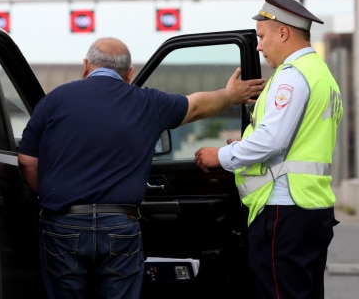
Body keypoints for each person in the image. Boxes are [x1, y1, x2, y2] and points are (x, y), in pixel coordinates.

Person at [17, 37, 265, 299]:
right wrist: (230, 95)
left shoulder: (55, 99)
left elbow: (27, 160)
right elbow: (195, 106)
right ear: (129, 73)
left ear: (86, 65)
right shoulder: (147, 103)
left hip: (63, 224)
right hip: (120, 226)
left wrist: (49, 197)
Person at [194, 0, 344, 299]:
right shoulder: (320, 72)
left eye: (262, 36)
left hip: (283, 208)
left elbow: (271, 141)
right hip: (312, 206)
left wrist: (221, 156)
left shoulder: (291, 75)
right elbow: (294, 139)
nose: (259, 47)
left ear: (284, 33)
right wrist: (245, 143)